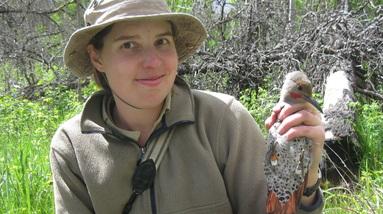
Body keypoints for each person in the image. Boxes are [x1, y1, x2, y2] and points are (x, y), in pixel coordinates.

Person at [50, 0, 325, 213]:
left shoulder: (224, 121)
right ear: (96, 57)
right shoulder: (72, 146)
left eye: (161, 42)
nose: (153, 62)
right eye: (129, 45)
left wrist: (305, 177)